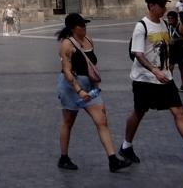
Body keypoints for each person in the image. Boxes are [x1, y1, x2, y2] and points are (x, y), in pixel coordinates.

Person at [120, 0, 183, 167]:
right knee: (139, 111)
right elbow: (138, 54)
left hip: (165, 78)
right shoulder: (141, 26)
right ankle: (126, 146)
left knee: (179, 111)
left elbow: (165, 49)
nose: (165, 8)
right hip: (145, 79)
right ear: (151, 6)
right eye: (161, 5)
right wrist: (154, 70)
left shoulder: (165, 25)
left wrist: (168, 67)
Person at [55, 13, 130, 173]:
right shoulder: (67, 45)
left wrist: (91, 86)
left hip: (88, 86)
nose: (85, 27)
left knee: (102, 121)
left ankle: (113, 160)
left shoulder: (89, 40)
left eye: (85, 24)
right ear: (72, 28)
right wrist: (79, 91)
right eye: (81, 25)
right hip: (71, 87)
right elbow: (67, 72)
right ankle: (64, 158)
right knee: (68, 122)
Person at [166, 10, 183, 91]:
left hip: (180, 50)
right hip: (172, 50)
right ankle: (171, 84)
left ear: (176, 19)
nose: (170, 20)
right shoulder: (168, 27)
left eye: (172, 19)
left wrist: (178, 39)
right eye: (169, 19)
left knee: (181, 67)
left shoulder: (180, 27)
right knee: (170, 68)